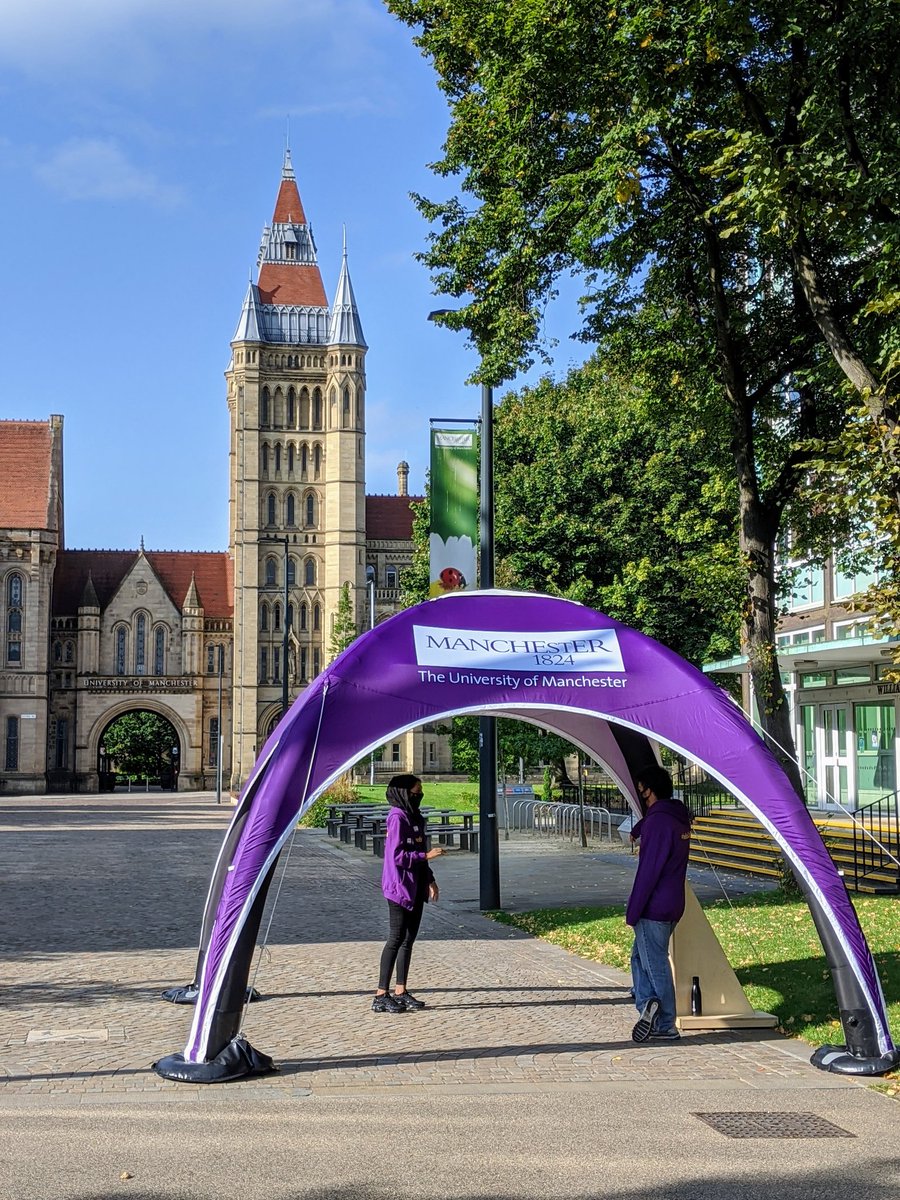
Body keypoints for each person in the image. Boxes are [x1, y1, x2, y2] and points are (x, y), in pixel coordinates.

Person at [625, 764, 691, 1042]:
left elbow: (648, 872)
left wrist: (633, 910)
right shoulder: (677, 818)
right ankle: (648, 1003)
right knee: (639, 958)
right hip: (674, 902)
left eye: (641, 789)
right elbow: (658, 820)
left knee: (655, 963)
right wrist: (641, 827)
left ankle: (664, 1021)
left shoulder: (657, 824)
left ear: (648, 790)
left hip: (654, 906)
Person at [372, 774, 444, 1013]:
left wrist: (430, 878)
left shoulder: (415, 817)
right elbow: (396, 856)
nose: (419, 795)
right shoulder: (397, 817)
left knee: (408, 939)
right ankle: (381, 994)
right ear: (404, 793)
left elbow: (417, 848)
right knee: (396, 937)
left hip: (416, 884)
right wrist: (426, 856)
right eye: (416, 791)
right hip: (399, 886)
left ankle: (401, 990)